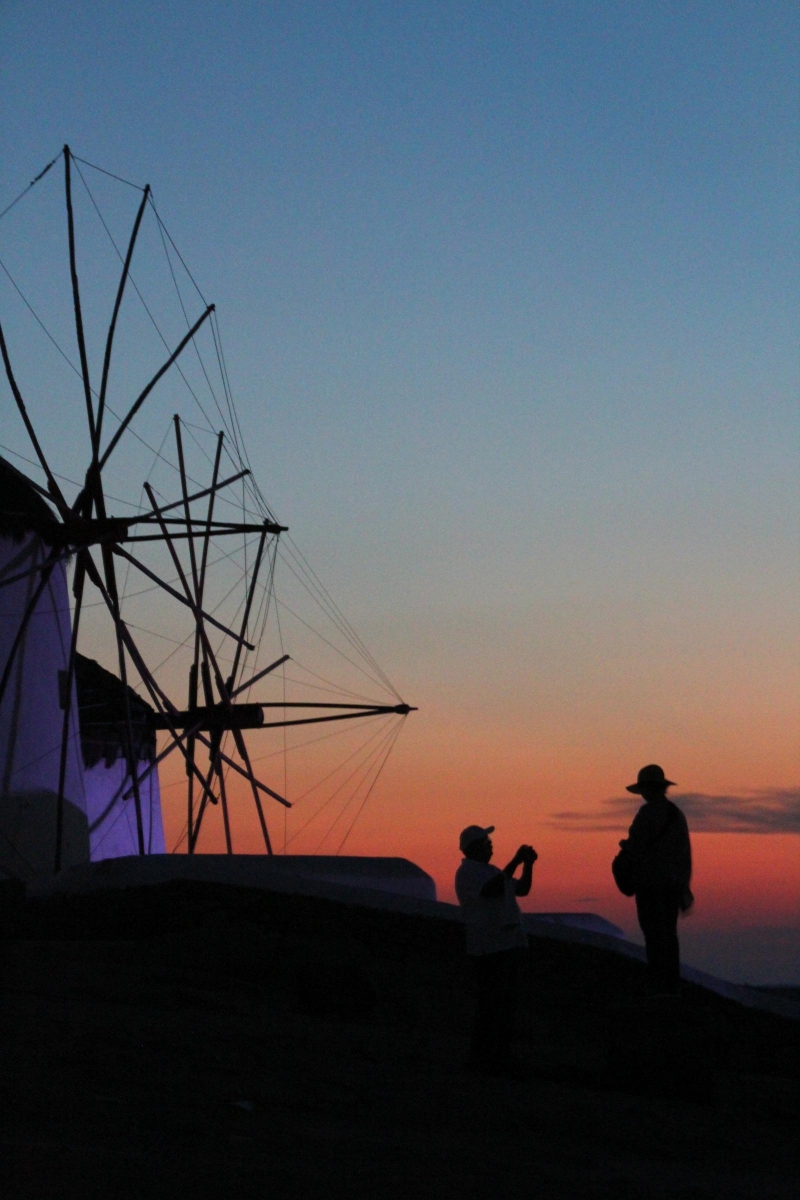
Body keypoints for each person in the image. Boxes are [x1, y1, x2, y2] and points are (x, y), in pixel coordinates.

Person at [455, 824, 537, 1074]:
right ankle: (482, 1060)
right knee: (491, 1008)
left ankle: (497, 1059)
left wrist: (528, 865)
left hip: (505, 946)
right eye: (486, 842)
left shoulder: (490, 871)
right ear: (474, 847)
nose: (491, 845)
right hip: (489, 949)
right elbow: (491, 890)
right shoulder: (468, 872)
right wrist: (515, 860)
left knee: (503, 1007)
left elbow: (521, 889)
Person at [618, 764, 693, 998]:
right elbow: (684, 855)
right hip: (671, 886)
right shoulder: (676, 814)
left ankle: (657, 984)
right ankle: (670, 984)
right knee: (669, 936)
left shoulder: (647, 814)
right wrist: (682, 886)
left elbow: (635, 844)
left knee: (653, 935)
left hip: (649, 885)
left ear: (647, 789)